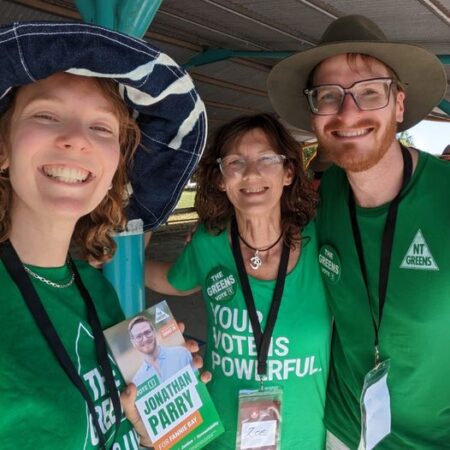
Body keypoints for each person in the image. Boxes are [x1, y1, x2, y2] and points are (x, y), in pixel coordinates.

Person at [0, 21, 206, 450]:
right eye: (45, 115)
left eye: (101, 128)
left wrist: (148, 429)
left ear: (115, 166)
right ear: (3, 148)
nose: (76, 139)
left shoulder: (98, 289)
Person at [268, 14, 450, 450]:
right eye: (329, 96)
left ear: (399, 105)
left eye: (369, 93)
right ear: (314, 115)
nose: (348, 112)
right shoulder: (314, 198)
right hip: (343, 431)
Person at [144, 113, 331, 449]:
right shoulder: (208, 242)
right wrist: (120, 255)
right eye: (235, 162)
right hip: (220, 436)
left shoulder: (324, 243)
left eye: (266, 159)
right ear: (220, 179)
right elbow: (174, 281)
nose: (252, 173)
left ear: (288, 172)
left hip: (303, 438)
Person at [129, 316, 193, 385]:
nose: (145, 339)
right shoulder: (137, 381)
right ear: (133, 342)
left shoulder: (181, 353)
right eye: (138, 336)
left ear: (154, 332)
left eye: (147, 332)